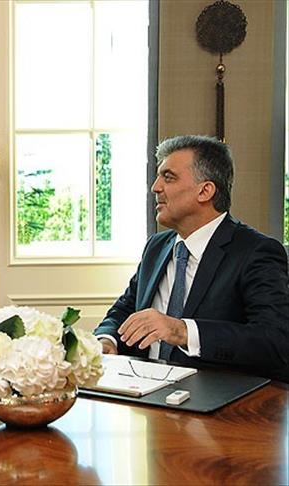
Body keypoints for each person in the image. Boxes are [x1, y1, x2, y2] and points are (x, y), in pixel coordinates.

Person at [94, 135, 289, 381]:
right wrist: (107, 340)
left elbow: (275, 342)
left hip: (216, 398)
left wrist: (182, 331)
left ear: (205, 191)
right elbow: (126, 308)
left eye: (168, 177)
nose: (155, 187)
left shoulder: (257, 251)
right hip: (142, 390)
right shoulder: (156, 246)